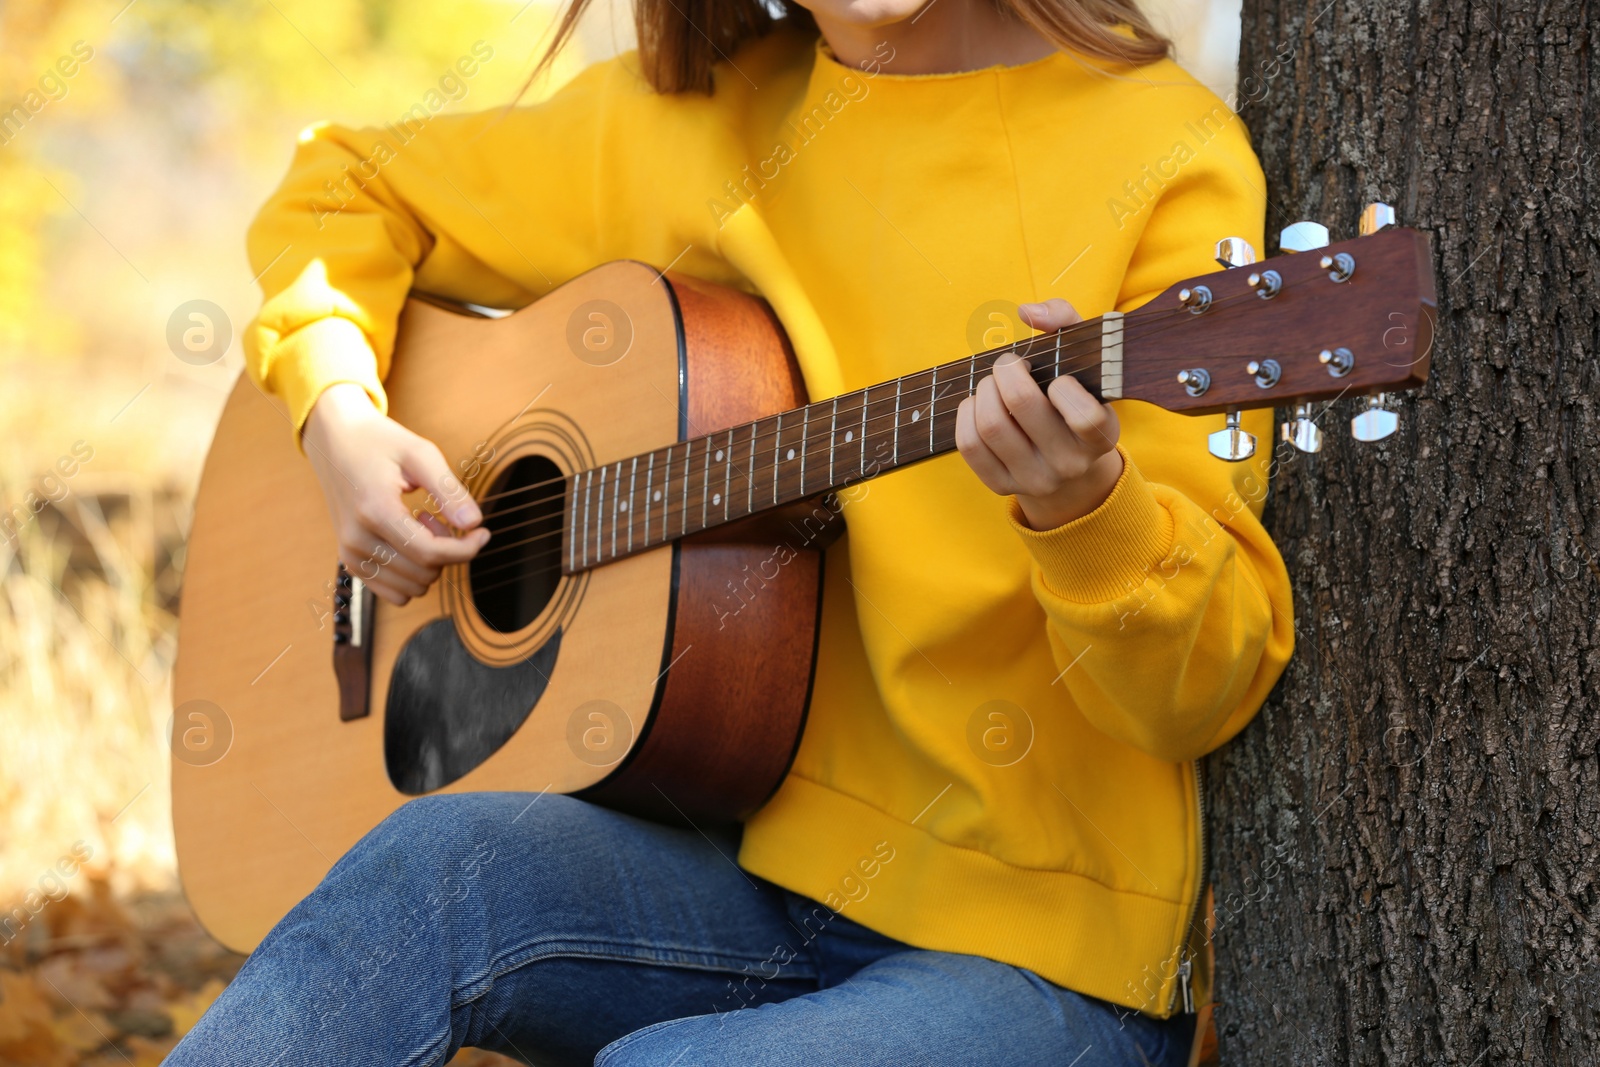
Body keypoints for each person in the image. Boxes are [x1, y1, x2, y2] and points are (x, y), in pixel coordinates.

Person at [165, 0, 1294, 1059]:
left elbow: (1205, 683)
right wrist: (337, 408)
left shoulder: (1159, 156)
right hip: (755, 877)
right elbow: (347, 182)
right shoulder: (702, 118)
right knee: (428, 877)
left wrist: (1085, 512)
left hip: (1043, 956)